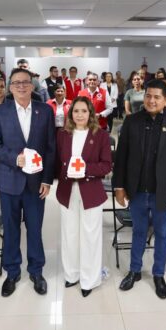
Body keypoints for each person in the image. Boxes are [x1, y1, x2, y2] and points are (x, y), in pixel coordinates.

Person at [113, 80, 166, 299]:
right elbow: (121, 157)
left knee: (162, 232)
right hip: (137, 190)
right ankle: (135, 270)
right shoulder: (132, 121)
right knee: (138, 231)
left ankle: (158, 274)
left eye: (157, 97)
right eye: (148, 96)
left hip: (163, 192)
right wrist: (119, 187)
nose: (151, 100)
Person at [0, 67, 56, 297]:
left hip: (36, 183)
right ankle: (12, 272)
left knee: (35, 229)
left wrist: (47, 179)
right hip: (9, 181)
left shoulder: (44, 111)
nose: (21, 86)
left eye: (25, 82)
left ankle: (36, 271)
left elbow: (51, 147)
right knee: (11, 229)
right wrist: (15, 158)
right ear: (10, 87)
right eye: (16, 83)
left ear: (32, 85)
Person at [56, 97, 112, 297]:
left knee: (90, 236)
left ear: (91, 114)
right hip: (67, 190)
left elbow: (106, 165)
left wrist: (84, 169)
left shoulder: (101, 135)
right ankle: (72, 275)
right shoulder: (63, 135)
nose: (79, 115)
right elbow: (57, 162)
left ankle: (89, 279)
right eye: (76, 111)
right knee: (69, 234)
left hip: (91, 191)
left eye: (84, 111)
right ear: (71, 114)